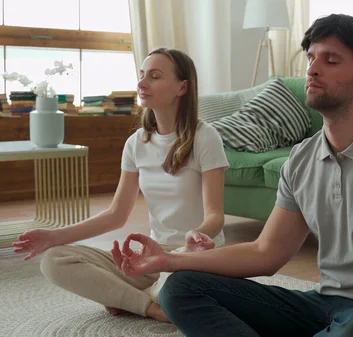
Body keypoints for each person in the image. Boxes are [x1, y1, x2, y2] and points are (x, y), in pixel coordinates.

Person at [114, 14, 353, 337]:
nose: (312, 69)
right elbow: (265, 252)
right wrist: (169, 260)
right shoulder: (302, 159)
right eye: (311, 57)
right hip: (322, 307)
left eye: (331, 61)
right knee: (180, 288)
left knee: (352, 328)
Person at [11, 47, 230, 322]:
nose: (141, 83)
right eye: (141, 75)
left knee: (176, 289)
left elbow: (215, 216)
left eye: (154, 76)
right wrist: (54, 237)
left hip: (194, 260)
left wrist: (195, 237)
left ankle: (130, 298)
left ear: (182, 87)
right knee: (54, 261)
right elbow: (116, 215)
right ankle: (151, 307)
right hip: (152, 259)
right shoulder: (137, 143)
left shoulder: (205, 137)